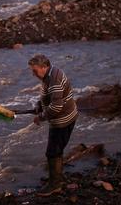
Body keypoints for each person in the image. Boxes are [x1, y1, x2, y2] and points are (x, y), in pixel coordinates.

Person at [28, 54, 78, 197]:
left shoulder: (54, 80)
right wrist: (40, 105)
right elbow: (49, 96)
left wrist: (41, 117)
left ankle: (55, 185)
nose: (33, 74)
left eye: (35, 70)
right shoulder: (50, 74)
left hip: (63, 121)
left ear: (44, 67)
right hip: (65, 117)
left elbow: (56, 107)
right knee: (57, 149)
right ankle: (56, 178)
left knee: (52, 152)